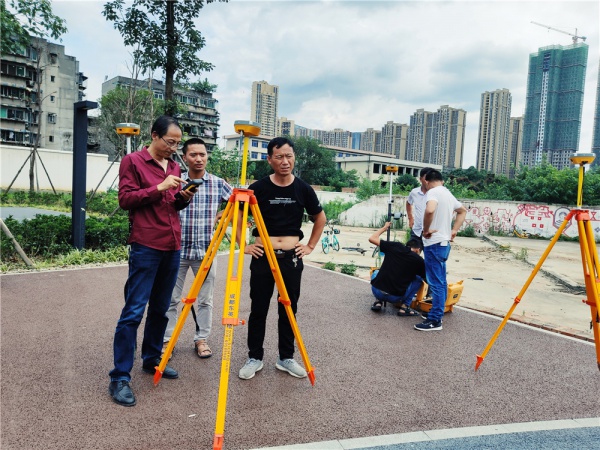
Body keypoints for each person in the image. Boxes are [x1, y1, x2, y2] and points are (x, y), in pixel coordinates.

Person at [108, 116, 194, 407]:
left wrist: (182, 196)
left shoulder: (173, 166)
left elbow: (170, 204)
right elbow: (125, 200)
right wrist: (159, 187)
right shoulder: (132, 161)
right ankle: (120, 376)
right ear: (154, 136)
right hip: (146, 245)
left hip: (172, 245)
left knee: (161, 309)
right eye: (170, 142)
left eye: (178, 143)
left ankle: (151, 360)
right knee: (133, 311)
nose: (174, 148)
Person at [239, 136, 326, 380]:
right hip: (263, 256)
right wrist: (243, 245)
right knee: (258, 307)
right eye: (279, 157)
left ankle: (285, 357)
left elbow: (320, 218)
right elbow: (236, 217)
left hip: (290, 258)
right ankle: (254, 357)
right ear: (270, 159)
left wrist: (309, 245)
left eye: (289, 156)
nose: (285, 161)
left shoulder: (303, 188)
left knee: (288, 308)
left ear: (294, 157)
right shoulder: (258, 187)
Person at [163, 138, 237, 360]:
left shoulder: (218, 183)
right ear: (184, 157)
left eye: (202, 154)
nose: (198, 158)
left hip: (206, 252)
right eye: (193, 155)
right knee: (171, 299)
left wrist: (221, 215)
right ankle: (167, 340)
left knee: (205, 299)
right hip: (176, 251)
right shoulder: (175, 182)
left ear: (207, 156)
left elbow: (238, 202)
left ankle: (201, 339)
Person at [414, 169, 466, 331]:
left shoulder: (433, 193)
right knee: (441, 281)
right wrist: (454, 230)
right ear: (441, 180)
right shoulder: (447, 193)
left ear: (427, 181)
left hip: (434, 243)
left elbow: (430, 210)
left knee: (436, 283)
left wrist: (426, 229)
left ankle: (435, 320)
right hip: (443, 243)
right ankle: (437, 313)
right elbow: (463, 211)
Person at [368, 222, 426, 316]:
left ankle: (378, 301)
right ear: (418, 250)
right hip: (395, 297)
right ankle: (404, 307)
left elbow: (372, 239)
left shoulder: (395, 246)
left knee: (377, 272)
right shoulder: (419, 260)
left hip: (377, 291)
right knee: (418, 279)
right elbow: (425, 277)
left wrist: (385, 227)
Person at [406, 167, 433, 246]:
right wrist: (410, 218)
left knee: (429, 257)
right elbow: (408, 203)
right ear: (420, 179)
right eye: (426, 178)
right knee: (410, 255)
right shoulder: (414, 192)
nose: (428, 181)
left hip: (430, 233)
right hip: (416, 231)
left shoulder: (435, 194)